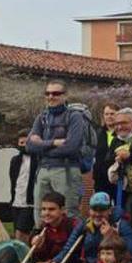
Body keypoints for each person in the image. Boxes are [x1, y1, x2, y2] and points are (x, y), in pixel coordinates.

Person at [25, 80, 88, 222]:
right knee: (40, 215)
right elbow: (29, 146)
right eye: (47, 93)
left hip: (67, 170)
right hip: (43, 170)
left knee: (68, 213)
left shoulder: (75, 116)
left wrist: (41, 146)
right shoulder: (42, 117)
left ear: (65, 96)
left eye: (56, 93)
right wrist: (53, 143)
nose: (50, 96)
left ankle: (71, 244)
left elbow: (71, 147)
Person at [107, 107, 132, 226]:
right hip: (125, 193)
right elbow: (106, 161)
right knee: (127, 225)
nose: (119, 127)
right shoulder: (116, 141)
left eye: (123, 123)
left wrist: (129, 156)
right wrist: (116, 157)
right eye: (117, 124)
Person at [8, 128, 37, 242]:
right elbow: (13, 180)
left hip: (29, 203)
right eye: (21, 143)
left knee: (21, 232)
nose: (24, 146)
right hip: (16, 201)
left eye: (27, 143)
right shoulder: (15, 160)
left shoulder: (38, 160)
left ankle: (23, 257)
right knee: (17, 232)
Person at [92, 103, 119, 195]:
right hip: (100, 178)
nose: (109, 116)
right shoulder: (98, 133)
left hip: (117, 177)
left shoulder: (122, 133)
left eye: (112, 114)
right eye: (106, 114)